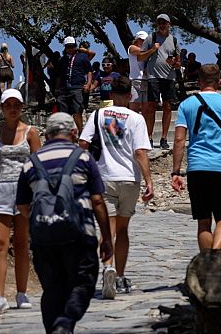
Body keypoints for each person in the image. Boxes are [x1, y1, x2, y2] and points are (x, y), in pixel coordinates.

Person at [16, 113, 113, 334]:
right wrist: (106, 238)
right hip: (80, 235)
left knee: (52, 289)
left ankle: (55, 329)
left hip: (44, 240)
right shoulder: (84, 158)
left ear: (47, 135)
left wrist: (46, 218)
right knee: (82, 284)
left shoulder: (31, 163)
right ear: (73, 133)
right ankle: (65, 324)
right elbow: (97, 200)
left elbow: (22, 207)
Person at [78, 76, 154, 299]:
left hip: (104, 177)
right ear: (130, 95)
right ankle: (119, 276)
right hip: (129, 179)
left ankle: (107, 267)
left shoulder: (99, 114)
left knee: (107, 229)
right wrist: (149, 181)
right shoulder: (137, 119)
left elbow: (83, 143)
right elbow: (140, 152)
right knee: (123, 230)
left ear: (111, 96)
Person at [171, 64, 221, 250]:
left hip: (196, 170)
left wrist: (175, 172)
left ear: (198, 81)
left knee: (203, 222)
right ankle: (216, 252)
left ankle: (207, 263)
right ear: (219, 82)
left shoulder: (186, 105)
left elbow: (178, 140)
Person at [0, 89, 42, 315]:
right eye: (8, 105)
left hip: (24, 192)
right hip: (0, 190)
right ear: (2, 107)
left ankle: (21, 292)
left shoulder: (31, 133)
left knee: (22, 243)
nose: (12, 109)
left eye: (16, 105)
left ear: (22, 107)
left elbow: (39, 165)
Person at [141, 13, 181, 149]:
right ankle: (149, 137)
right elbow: (140, 57)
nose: (162, 25)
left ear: (169, 24)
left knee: (168, 106)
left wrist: (174, 62)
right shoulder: (150, 38)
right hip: (153, 76)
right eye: (159, 23)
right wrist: (152, 50)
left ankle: (164, 138)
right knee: (151, 106)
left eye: (164, 22)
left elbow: (178, 63)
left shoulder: (174, 40)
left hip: (169, 77)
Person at [55, 37, 93, 131]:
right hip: (64, 89)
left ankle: (80, 131)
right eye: (68, 47)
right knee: (63, 113)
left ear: (75, 46)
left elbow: (89, 71)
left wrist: (88, 84)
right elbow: (59, 75)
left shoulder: (82, 56)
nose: (70, 49)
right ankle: (65, 133)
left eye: (72, 46)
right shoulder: (62, 59)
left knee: (77, 110)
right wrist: (57, 88)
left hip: (77, 87)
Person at [128, 30, 155, 113]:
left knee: (146, 110)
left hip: (147, 81)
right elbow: (141, 54)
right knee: (134, 110)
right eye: (142, 40)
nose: (144, 42)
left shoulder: (148, 51)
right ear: (137, 39)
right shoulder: (131, 48)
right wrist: (153, 49)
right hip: (135, 80)